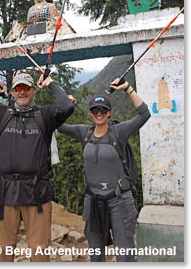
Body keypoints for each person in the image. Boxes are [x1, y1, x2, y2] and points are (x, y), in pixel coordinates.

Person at [0, 71, 74, 262]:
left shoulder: (44, 116)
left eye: (26, 88)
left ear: (33, 91)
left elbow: (67, 106)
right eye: (18, 88)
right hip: (5, 194)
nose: (22, 92)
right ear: (12, 92)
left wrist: (51, 82)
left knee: (40, 252)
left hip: (37, 193)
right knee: (2, 252)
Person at [58, 78, 151, 262]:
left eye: (103, 110)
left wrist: (128, 89)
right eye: (95, 110)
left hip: (119, 201)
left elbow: (144, 115)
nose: (99, 113)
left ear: (110, 113)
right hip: (93, 201)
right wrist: (66, 106)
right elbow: (58, 125)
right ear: (90, 113)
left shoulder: (119, 132)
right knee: (96, 253)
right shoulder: (84, 132)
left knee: (124, 253)